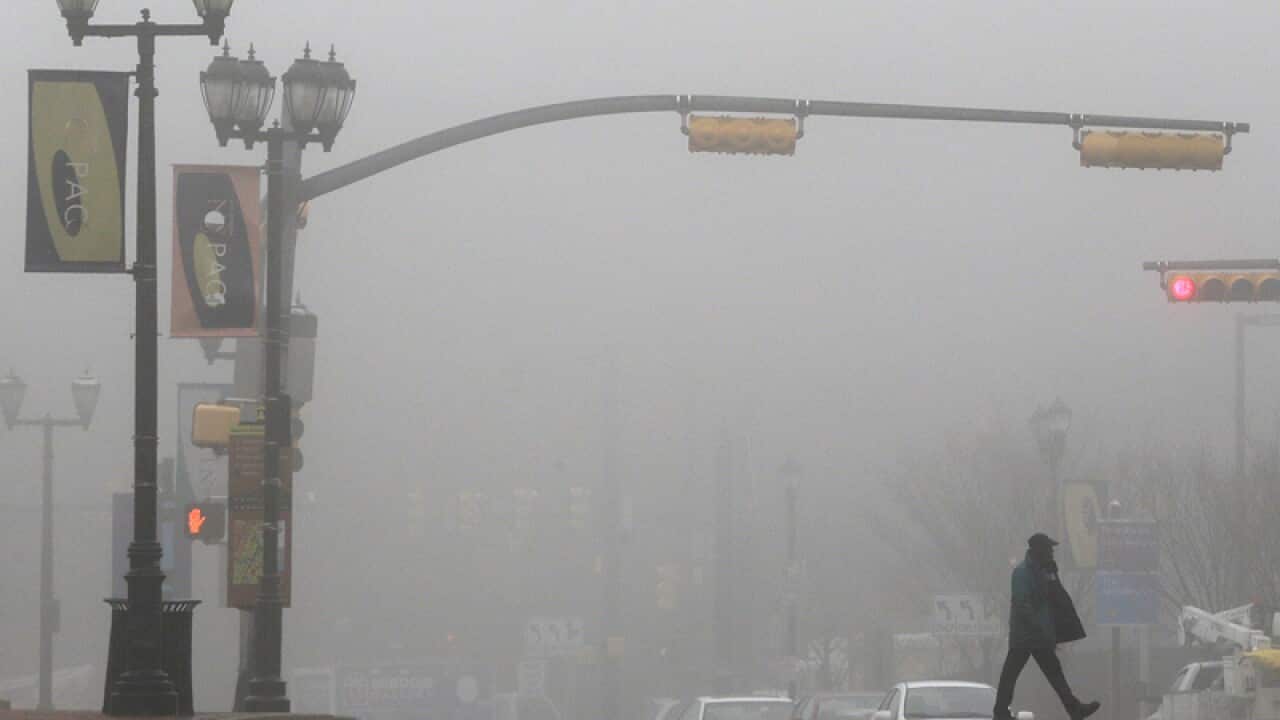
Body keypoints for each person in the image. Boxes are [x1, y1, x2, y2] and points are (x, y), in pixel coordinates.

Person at [993, 533, 1100, 720]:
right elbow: (1022, 604)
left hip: (1039, 636)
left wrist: (1053, 575)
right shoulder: (1021, 573)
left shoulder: (1044, 571)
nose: (1052, 552)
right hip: (1025, 636)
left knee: (1055, 674)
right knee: (1010, 675)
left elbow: (1055, 599)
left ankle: (1074, 709)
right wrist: (1041, 630)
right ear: (1038, 551)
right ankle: (1000, 713)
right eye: (1049, 549)